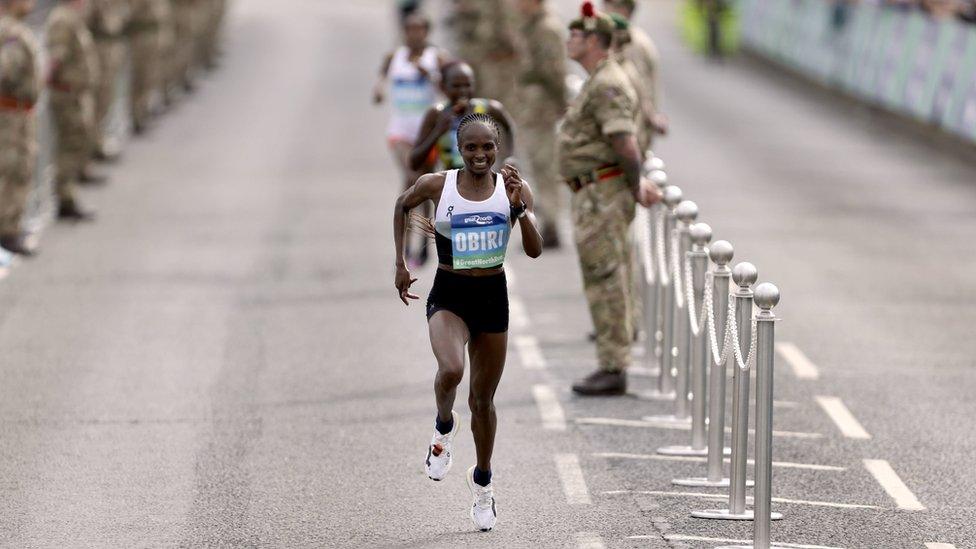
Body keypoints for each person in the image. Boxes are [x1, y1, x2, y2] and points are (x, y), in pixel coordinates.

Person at [393, 113, 543, 532]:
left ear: (497, 149)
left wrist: (519, 209)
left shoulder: (513, 188)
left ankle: (483, 483)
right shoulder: (437, 186)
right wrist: (400, 262)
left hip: (493, 299)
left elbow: (533, 251)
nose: (480, 154)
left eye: (488, 147)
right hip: (450, 294)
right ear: (461, 149)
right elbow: (401, 205)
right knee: (451, 370)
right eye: (472, 147)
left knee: (483, 403)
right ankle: (443, 427)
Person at [559, 3, 661, 396]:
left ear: (595, 42)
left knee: (607, 278)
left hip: (603, 193)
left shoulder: (607, 83)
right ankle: (612, 359)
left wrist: (635, 186)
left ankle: (613, 365)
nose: (569, 41)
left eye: (576, 35)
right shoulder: (599, 78)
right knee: (607, 275)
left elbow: (625, 143)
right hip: (594, 190)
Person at [408, 62, 515, 266]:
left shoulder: (487, 108)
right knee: (457, 261)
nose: (463, 92)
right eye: (456, 86)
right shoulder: (437, 113)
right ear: (443, 87)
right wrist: (438, 131)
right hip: (453, 189)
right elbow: (414, 161)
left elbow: (509, 127)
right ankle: (425, 248)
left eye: (468, 85)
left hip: (483, 187)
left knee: (479, 255)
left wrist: (509, 157)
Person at [373, 12, 448, 267]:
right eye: (410, 29)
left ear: (427, 32)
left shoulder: (436, 58)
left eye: (419, 29)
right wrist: (379, 90)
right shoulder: (394, 58)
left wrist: (429, 76)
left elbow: (450, 88)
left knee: (426, 185)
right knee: (410, 176)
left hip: (427, 132)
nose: (414, 34)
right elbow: (380, 82)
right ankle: (404, 244)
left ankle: (425, 245)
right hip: (400, 132)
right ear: (404, 32)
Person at [513, 0, 568, 248]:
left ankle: (551, 222)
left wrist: (561, 103)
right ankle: (546, 219)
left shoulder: (546, 28)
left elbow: (554, 72)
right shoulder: (530, 25)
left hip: (542, 107)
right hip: (530, 105)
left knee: (545, 164)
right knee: (535, 163)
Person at [46, 0, 100, 221]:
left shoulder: (70, 17)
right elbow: (55, 59)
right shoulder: (62, 18)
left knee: (75, 142)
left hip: (74, 93)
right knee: (69, 146)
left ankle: (69, 194)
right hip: (66, 94)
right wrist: (44, 83)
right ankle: (65, 198)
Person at [0, 0, 42, 255]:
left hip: (18, 111)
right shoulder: (11, 31)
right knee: (12, 170)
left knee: (21, 168)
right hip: (10, 112)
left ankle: (12, 225)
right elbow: (5, 69)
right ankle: (7, 230)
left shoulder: (13, 29)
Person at [603, 0, 668, 140]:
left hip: (632, 127)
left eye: (610, 4)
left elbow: (639, 89)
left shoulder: (631, 43)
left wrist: (650, 117)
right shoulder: (620, 38)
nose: (604, 9)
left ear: (625, 10)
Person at [88, 0, 130, 161]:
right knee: (98, 98)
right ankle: (93, 144)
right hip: (101, 48)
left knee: (107, 97)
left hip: (113, 46)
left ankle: (99, 138)